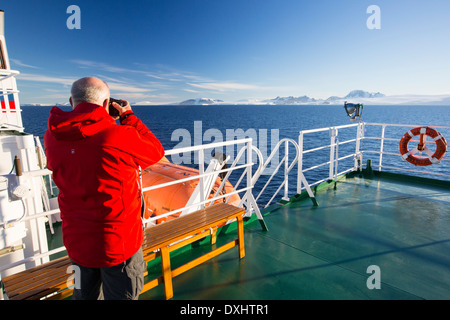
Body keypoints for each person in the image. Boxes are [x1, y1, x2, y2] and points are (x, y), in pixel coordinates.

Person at [44, 77, 165, 300]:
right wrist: (128, 117)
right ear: (107, 103)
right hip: (118, 245)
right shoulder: (117, 136)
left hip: (77, 245)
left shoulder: (51, 137)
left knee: (83, 295)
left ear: (71, 101)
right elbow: (155, 152)